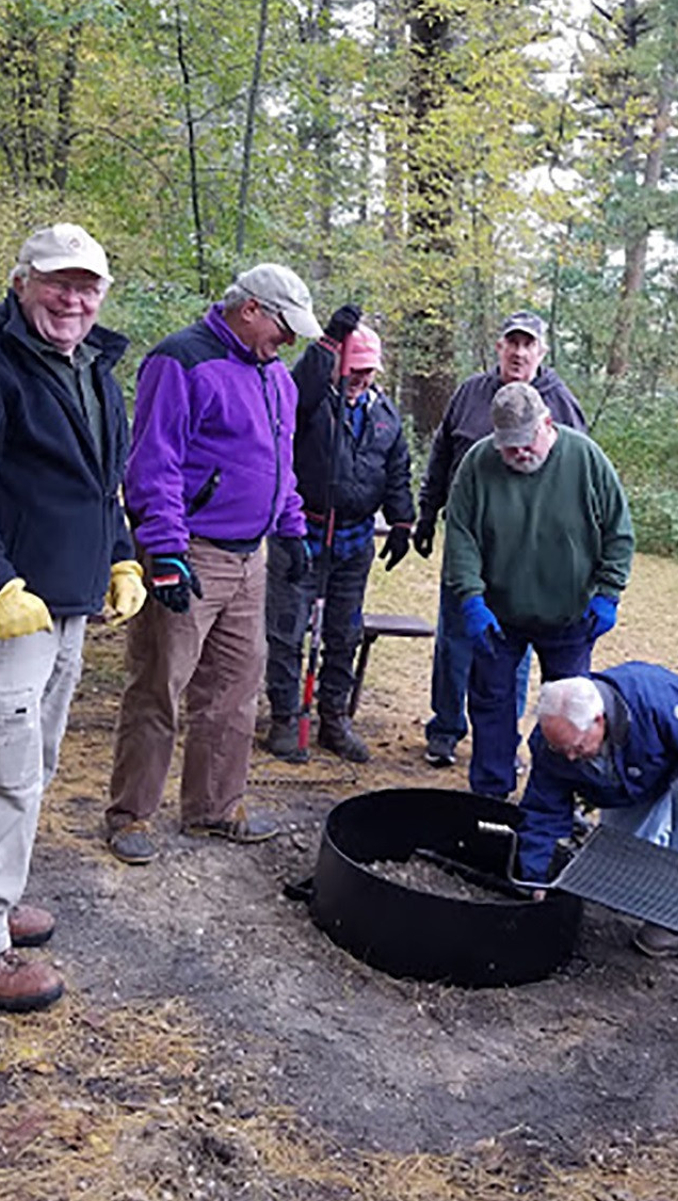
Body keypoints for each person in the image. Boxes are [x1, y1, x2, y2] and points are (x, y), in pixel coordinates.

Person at [105, 263, 321, 866]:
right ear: (250, 308)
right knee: (159, 685)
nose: (290, 340)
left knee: (234, 689)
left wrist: (292, 526)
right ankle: (131, 813)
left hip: (250, 556)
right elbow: (154, 462)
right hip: (191, 550)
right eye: (284, 326)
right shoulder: (181, 360)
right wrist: (166, 551)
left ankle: (213, 807)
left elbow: (280, 462)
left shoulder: (276, 376)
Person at [0, 223, 145, 1012]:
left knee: (38, 761)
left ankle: (3, 891)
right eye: (59, 281)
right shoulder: (4, 365)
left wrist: (119, 554)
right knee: (4, 770)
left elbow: (101, 485)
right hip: (10, 609)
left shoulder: (95, 370)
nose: (74, 299)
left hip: (67, 603)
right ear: (22, 282)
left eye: (88, 286)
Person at [441, 379, 633, 800]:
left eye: (526, 443)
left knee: (572, 713)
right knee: (491, 702)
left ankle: (558, 798)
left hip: (570, 617)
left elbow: (619, 534)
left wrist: (608, 593)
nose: (519, 453)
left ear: (547, 423)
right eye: (508, 448)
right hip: (499, 617)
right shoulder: (477, 465)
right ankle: (490, 793)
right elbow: (461, 538)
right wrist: (471, 599)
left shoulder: (585, 459)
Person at [413, 310, 587, 769]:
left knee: (512, 649)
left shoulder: (561, 404)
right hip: (467, 539)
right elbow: (440, 456)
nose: (519, 351)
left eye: (528, 344)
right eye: (512, 342)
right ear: (499, 347)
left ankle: (501, 742)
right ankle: (445, 729)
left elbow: (579, 481)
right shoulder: (470, 393)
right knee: (455, 637)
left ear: (542, 352)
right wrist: (426, 515)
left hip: (525, 553)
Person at [516, 664, 678, 958]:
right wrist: (538, 876)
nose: (569, 756)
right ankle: (655, 852)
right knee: (622, 872)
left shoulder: (657, 703)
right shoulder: (553, 742)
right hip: (635, 775)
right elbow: (543, 811)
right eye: (562, 749)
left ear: (599, 720)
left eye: (577, 748)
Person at [263, 304, 415, 765]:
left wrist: (403, 522)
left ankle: (334, 718)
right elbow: (296, 389)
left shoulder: (385, 415)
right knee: (289, 631)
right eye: (354, 369)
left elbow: (397, 472)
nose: (361, 379)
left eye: (368, 371)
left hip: (354, 542)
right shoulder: (311, 404)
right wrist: (329, 341)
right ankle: (286, 718)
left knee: (343, 633)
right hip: (302, 532)